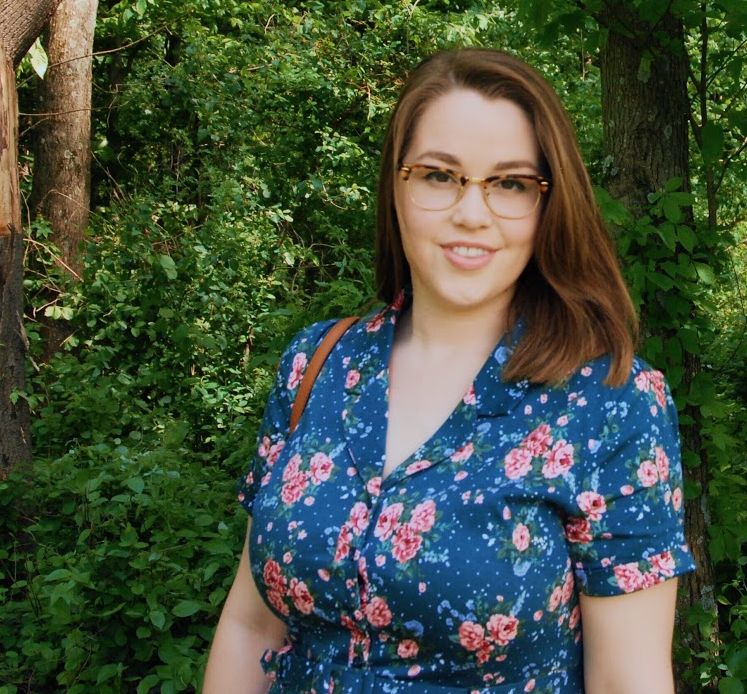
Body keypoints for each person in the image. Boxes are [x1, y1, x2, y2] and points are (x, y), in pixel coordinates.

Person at [203, 48, 694, 693]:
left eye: (510, 183)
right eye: (439, 175)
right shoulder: (316, 363)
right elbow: (251, 627)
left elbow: (627, 681)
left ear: (548, 205)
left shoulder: (612, 404)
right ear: (396, 186)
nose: (472, 213)